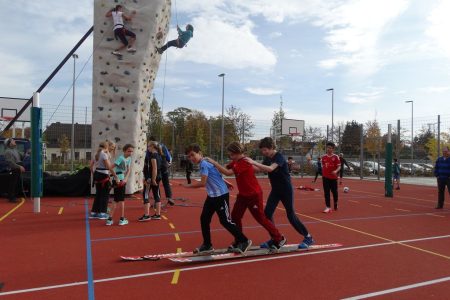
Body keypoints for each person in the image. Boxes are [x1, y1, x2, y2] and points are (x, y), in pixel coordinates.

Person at [207, 142, 286, 250]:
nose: (230, 156)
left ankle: (279, 238)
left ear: (237, 152)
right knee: (235, 217)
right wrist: (211, 167)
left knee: (261, 218)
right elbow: (226, 167)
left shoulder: (244, 161)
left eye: (231, 154)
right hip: (243, 195)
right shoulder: (236, 161)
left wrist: (214, 162)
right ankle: (240, 240)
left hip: (253, 195)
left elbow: (228, 172)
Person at [245, 137, 314, 249]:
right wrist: (244, 163)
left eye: (265, 150)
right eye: (262, 150)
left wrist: (253, 162)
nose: (264, 152)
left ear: (272, 147)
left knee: (290, 215)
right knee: (267, 213)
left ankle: (308, 237)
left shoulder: (279, 157)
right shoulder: (268, 158)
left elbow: (271, 169)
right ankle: (275, 238)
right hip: (276, 190)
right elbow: (258, 169)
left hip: (286, 189)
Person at [183, 143, 252, 254]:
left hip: (220, 196)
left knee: (225, 221)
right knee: (204, 219)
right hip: (212, 196)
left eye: (192, 155)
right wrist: (225, 182)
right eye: (189, 157)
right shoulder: (205, 163)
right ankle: (207, 245)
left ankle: (244, 240)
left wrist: (188, 186)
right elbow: (215, 174)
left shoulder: (204, 164)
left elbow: (203, 183)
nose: (191, 158)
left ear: (200, 153)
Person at [106, 144, 134, 226]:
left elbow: (129, 170)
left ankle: (110, 219)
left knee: (118, 200)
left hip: (122, 180)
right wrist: (116, 177)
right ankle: (120, 219)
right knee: (119, 200)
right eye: (129, 151)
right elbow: (110, 167)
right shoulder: (121, 158)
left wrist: (125, 179)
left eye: (132, 151)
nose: (130, 153)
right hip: (118, 180)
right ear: (124, 151)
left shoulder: (129, 158)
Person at [91, 142, 119, 219]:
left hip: (97, 173)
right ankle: (102, 213)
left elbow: (91, 167)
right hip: (103, 174)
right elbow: (109, 166)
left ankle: (94, 212)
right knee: (105, 194)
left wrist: (95, 175)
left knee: (98, 193)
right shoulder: (104, 154)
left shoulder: (96, 154)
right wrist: (115, 176)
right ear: (107, 146)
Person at [140, 141, 162, 221]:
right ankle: (158, 214)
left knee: (145, 194)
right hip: (158, 177)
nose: (147, 148)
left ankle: (146, 215)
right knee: (157, 194)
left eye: (148, 146)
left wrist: (152, 179)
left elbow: (154, 168)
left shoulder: (153, 156)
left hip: (151, 178)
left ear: (152, 146)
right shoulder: (159, 155)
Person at [148, 136, 173, 206]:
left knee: (156, 184)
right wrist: (169, 163)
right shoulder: (163, 146)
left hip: (157, 168)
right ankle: (169, 197)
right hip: (164, 167)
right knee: (166, 183)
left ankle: (157, 201)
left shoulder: (151, 148)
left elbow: (148, 158)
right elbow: (169, 157)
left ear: (152, 142)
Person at [321, 142, 341, 213]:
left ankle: (335, 203)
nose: (328, 149)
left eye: (330, 148)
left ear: (333, 149)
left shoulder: (336, 157)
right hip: (325, 177)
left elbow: (339, 166)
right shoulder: (323, 157)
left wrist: (335, 171)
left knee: (334, 192)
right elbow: (323, 166)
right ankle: (328, 207)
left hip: (333, 178)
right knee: (326, 192)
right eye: (327, 148)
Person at [3, 138, 25, 203]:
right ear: (9, 143)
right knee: (13, 183)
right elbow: (10, 163)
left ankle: (14, 196)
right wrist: (19, 167)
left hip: (17, 168)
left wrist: (26, 153)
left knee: (16, 183)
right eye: (13, 141)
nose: (14, 141)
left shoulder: (15, 150)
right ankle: (11, 198)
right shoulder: (8, 151)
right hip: (14, 169)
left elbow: (21, 157)